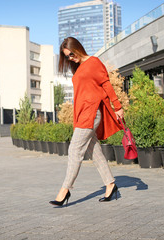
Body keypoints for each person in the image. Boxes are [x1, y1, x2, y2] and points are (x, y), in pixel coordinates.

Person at [49, 37, 124, 207]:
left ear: (77, 48)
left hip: (91, 113)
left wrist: (117, 107)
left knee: (74, 149)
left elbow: (107, 85)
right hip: (81, 115)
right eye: (67, 57)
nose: (70, 58)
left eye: (71, 54)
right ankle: (111, 184)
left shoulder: (94, 62)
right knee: (94, 152)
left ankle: (65, 190)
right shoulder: (80, 68)